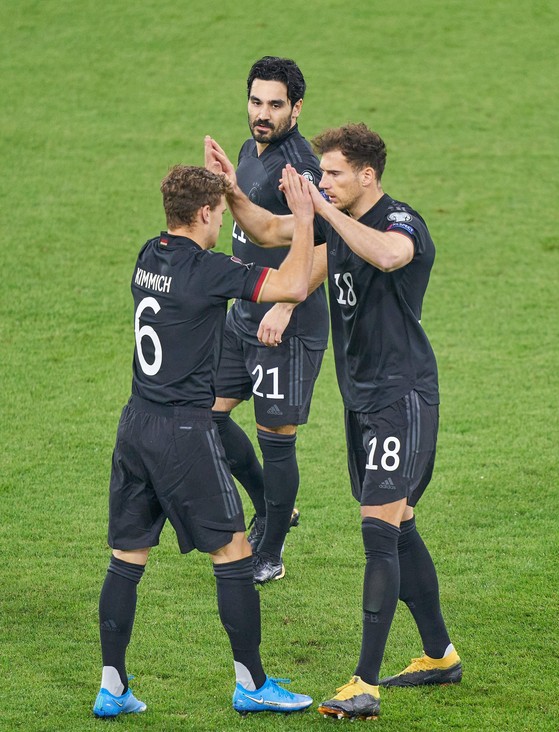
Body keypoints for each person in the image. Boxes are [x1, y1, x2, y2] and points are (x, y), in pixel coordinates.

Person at [205, 124, 461, 721]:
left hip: (403, 396)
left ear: (367, 175)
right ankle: (439, 654)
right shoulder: (337, 224)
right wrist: (232, 189)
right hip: (362, 401)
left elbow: (390, 256)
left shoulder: (401, 222)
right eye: (322, 174)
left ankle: (363, 683)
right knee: (400, 527)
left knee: (378, 530)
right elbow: (269, 231)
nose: (324, 182)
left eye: (335, 174)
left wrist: (320, 209)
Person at [92, 165, 316, 719]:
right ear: (201, 215)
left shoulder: (150, 254)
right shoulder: (206, 270)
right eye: (218, 212)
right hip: (183, 432)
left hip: (135, 422)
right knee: (234, 551)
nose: (221, 222)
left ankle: (112, 686)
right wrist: (307, 220)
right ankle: (252, 683)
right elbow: (290, 284)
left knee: (127, 556)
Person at [211, 56, 329, 585]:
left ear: (296, 109)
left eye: (275, 105)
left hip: (287, 324)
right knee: (206, 416)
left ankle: (272, 550)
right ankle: (273, 506)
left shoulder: (300, 169)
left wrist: (286, 303)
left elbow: (327, 246)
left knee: (274, 439)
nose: (262, 113)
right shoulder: (248, 150)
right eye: (256, 101)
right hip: (244, 314)